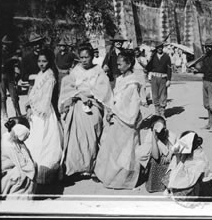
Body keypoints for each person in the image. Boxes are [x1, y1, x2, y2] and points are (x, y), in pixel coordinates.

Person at [94, 50, 152, 189]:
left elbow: (130, 105)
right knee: (111, 148)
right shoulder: (120, 79)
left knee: (124, 151)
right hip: (116, 117)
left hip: (126, 120)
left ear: (129, 63)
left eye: (120, 64)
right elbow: (115, 99)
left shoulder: (133, 83)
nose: (118, 67)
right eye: (117, 64)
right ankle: (108, 175)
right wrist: (110, 110)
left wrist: (115, 111)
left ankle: (123, 179)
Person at [59, 44, 112, 178]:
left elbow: (103, 90)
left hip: (92, 105)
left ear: (92, 57)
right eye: (81, 57)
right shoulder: (76, 70)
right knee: (76, 137)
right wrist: (78, 95)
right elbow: (68, 86)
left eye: (86, 57)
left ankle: (90, 165)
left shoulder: (98, 71)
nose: (84, 60)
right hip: (77, 105)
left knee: (92, 135)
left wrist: (87, 94)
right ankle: (76, 166)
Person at [24, 49, 63, 188]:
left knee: (44, 140)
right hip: (36, 110)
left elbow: (45, 98)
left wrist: (33, 108)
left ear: (49, 61)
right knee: (34, 139)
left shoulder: (50, 76)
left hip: (44, 111)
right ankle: (32, 169)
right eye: (39, 61)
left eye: (44, 61)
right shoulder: (40, 73)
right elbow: (34, 92)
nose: (41, 64)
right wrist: (29, 105)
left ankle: (44, 173)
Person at [164, 131, 212, 204]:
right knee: (171, 172)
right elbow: (174, 168)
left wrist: (180, 159)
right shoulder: (186, 153)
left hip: (199, 185)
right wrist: (178, 157)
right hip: (188, 179)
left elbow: (187, 179)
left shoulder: (199, 159)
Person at [1, 116, 35, 200]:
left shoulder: (12, 138)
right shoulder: (9, 145)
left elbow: (25, 154)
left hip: (11, 169)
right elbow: (22, 165)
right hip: (6, 175)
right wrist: (33, 168)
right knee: (23, 174)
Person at [193, 39, 212, 132]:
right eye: (206, 46)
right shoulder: (205, 57)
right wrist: (197, 70)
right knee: (207, 104)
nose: (207, 48)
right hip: (205, 81)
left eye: (210, 46)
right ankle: (209, 123)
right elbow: (204, 69)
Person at [145, 115, 177, 193]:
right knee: (154, 161)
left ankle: (169, 184)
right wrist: (154, 138)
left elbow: (176, 146)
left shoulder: (170, 134)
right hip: (157, 162)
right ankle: (156, 185)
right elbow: (155, 156)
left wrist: (170, 155)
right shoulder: (150, 136)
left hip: (168, 161)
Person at [146, 42, 172, 117]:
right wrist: (151, 55)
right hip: (154, 77)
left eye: (161, 47)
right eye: (158, 47)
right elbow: (148, 67)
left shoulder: (166, 57)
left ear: (163, 47)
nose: (160, 48)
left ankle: (162, 113)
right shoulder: (153, 56)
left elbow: (169, 69)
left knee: (163, 95)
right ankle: (157, 112)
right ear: (156, 48)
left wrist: (169, 79)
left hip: (163, 78)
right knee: (154, 95)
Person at [0, 35, 22, 122]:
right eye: (5, 44)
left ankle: (18, 112)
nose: (6, 46)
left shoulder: (11, 51)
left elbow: (16, 63)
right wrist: (11, 59)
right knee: (2, 96)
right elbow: (1, 66)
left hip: (10, 75)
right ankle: (4, 113)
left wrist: (17, 73)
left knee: (14, 96)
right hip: (1, 75)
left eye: (8, 44)